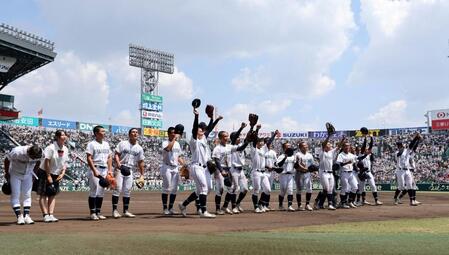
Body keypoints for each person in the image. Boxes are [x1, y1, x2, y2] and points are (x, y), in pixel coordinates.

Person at [178, 106, 222, 218]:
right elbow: (194, 128)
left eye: (202, 129)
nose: (201, 130)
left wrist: (215, 119)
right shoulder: (194, 140)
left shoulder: (204, 138)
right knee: (203, 187)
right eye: (199, 129)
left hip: (205, 168)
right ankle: (203, 211)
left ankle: (183, 205)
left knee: (204, 190)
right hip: (196, 167)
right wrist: (196, 116)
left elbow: (210, 128)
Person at [212, 124, 249, 215]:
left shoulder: (229, 146)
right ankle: (217, 209)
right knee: (220, 189)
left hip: (228, 170)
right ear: (220, 138)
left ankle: (224, 207)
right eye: (225, 136)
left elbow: (240, 148)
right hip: (220, 170)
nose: (227, 138)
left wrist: (247, 142)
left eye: (227, 136)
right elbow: (216, 160)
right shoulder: (217, 148)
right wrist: (221, 171)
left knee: (230, 189)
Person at [4, 144, 42, 225]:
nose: (34, 159)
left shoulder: (40, 153)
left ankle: (26, 216)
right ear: (28, 152)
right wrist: (7, 173)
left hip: (28, 174)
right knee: (15, 195)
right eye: (33, 157)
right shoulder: (17, 151)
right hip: (15, 174)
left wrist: (34, 172)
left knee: (27, 195)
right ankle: (19, 216)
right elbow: (7, 160)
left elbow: (38, 161)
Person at [37, 130, 69, 223]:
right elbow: (46, 161)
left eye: (65, 135)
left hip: (56, 173)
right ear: (57, 137)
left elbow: (65, 162)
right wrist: (48, 175)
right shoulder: (50, 148)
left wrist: (63, 173)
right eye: (63, 135)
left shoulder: (66, 149)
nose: (65, 136)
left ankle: (51, 214)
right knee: (43, 194)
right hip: (45, 172)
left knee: (52, 193)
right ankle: (45, 215)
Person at [112, 128, 145, 218]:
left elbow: (141, 162)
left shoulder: (139, 148)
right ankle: (114, 210)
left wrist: (142, 175)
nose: (135, 133)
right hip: (120, 168)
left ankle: (126, 211)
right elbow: (116, 154)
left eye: (136, 132)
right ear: (129, 134)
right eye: (133, 132)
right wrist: (118, 165)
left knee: (127, 190)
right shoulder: (123, 143)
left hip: (130, 169)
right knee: (117, 189)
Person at [86, 125, 113, 220]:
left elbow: (109, 157)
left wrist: (110, 170)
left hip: (104, 169)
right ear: (96, 133)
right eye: (102, 131)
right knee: (94, 191)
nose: (104, 133)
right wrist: (94, 170)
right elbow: (89, 158)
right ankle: (92, 213)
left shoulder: (106, 144)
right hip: (95, 167)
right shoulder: (91, 144)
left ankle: (98, 211)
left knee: (101, 192)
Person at [393, 133, 422, 206]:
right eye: (401, 145)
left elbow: (412, 146)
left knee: (410, 185)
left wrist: (416, 138)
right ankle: (395, 198)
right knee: (401, 187)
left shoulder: (407, 150)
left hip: (407, 170)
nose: (403, 146)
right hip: (400, 171)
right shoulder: (397, 153)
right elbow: (398, 155)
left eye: (402, 145)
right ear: (399, 146)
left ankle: (412, 201)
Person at [355, 135, 383, 206]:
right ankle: (359, 201)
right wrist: (365, 138)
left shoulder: (368, 155)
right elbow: (364, 146)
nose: (367, 149)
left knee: (373, 186)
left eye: (367, 149)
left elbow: (370, 146)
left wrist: (371, 138)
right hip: (362, 173)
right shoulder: (361, 154)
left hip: (369, 172)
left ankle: (376, 200)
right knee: (361, 188)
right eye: (365, 149)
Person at [294, 141, 316, 211]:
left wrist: (315, 171)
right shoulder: (297, 154)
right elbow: (296, 165)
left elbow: (312, 164)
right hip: (299, 173)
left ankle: (307, 204)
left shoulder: (310, 155)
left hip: (307, 174)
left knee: (309, 189)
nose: (306, 147)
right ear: (300, 147)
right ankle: (299, 205)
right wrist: (305, 168)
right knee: (299, 189)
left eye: (306, 146)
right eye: (304, 146)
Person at [276, 142, 296, 211]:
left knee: (290, 190)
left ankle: (290, 206)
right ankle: (280, 205)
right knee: (283, 191)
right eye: (287, 146)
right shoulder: (281, 156)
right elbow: (278, 165)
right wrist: (285, 158)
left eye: (289, 146)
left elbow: (296, 166)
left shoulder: (293, 156)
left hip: (290, 175)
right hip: (283, 175)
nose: (289, 147)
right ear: (284, 148)